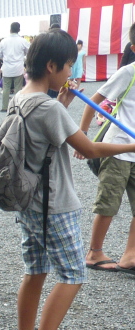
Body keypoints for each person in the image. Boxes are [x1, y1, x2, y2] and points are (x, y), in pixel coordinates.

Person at [9, 28, 135, 330]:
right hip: (54, 203)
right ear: (51, 66)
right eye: (67, 66)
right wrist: (130, 148)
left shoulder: (22, 97)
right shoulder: (47, 107)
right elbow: (91, 149)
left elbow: (45, 135)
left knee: (35, 270)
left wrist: (63, 103)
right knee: (73, 275)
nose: (70, 72)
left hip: (28, 200)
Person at [77, 25, 135, 275]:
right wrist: (82, 135)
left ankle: (130, 255)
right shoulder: (128, 72)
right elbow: (94, 101)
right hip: (118, 149)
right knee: (109, 203)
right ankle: (94, 252)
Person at [0, 22, 30, 112]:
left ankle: (4, 106)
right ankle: (16, 106)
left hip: (7, 67)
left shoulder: (4, 41)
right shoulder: (23, 41)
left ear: (10, 29)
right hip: (18, 67)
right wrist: (24, 56)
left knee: (6, 87)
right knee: (18, 88)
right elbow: (29, 51)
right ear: (19, 30)